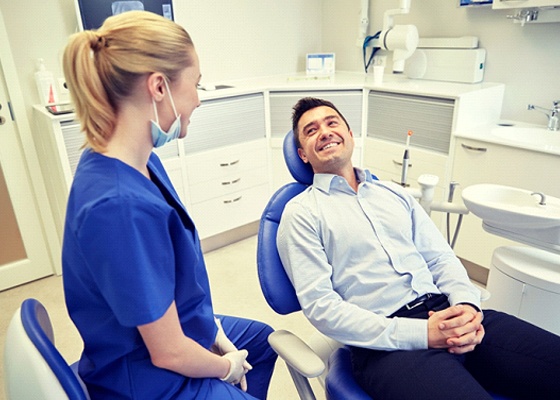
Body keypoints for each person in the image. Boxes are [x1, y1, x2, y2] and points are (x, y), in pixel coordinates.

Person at [277, 97, 560, 400]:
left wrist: (467, 306)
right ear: (302, 154)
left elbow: (440, 257)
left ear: (349, 135)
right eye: (311, 130)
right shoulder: (301, 214)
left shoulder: (394, 194)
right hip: (387, 346)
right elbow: (322, 308)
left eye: (332, 123)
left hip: (449, 312)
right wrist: (423, 334)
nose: (324, 132)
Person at [61, 11, 276, 399]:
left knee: (260, 341)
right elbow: (169, 352)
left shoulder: (138, 162)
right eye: (196, 83)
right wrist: (225, 367)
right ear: (159, 87)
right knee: (241, 366)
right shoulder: (118, 206)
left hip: (175, 330)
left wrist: (215, 334)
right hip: (147, 378)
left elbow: (176, 286)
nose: (198, 98)